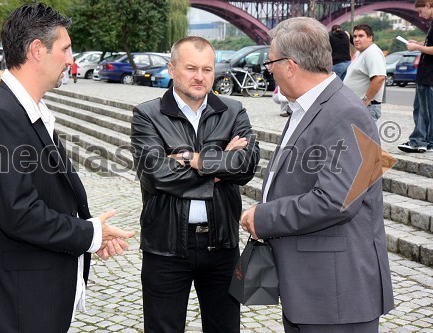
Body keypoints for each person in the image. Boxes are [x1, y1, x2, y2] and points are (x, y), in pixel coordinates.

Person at [0, 3, 135, 332]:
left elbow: (47, 194)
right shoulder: (2, 114)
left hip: (29, 297)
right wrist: (90, 234)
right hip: (17, 303)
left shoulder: (26, 109)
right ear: (37, 50)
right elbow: (19, 212)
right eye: (66, 49)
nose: (71, 60)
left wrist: (90, 233)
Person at [240, 17, 394, 333]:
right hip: (313, 290)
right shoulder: (311, 107)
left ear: (291, 65)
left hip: (336, 296)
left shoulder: (345, 112)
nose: (269, 71)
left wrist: (264, 217)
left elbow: (337, 201)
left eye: (270, 64)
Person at [131, 36, 260, 333]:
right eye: (191, 68)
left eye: (207, 69)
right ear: (172, 69)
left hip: (222, 244)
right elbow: (155, 175)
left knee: (225, 327)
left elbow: (246, 165)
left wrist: (193, 160)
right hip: (165, 245)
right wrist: (219, 165)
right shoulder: (147, 115)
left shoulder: (233, 110)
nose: (200, 77)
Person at [398, 0, 433, 153]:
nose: (419, 15)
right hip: (428, 74)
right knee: (429, 111)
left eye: (420, 11)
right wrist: (419, 42)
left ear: (427, 5)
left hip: (428, 74)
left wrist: (417, 47)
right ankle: (429, 142)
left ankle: (417, 141)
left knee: (421, 110)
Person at [343, 24, 386, 121]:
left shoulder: (372, 53)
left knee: (361, 136)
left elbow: (379, 77)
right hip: (356, 105)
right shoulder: (362, 52)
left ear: (370, 38)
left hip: (366, 107)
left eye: (361, 36)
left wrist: (366, 100)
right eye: (355, 36)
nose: (356, 39)